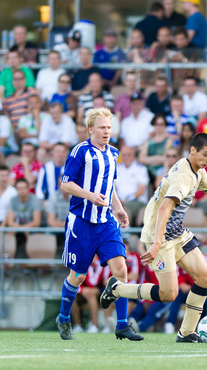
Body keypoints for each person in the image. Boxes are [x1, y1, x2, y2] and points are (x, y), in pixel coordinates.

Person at [99, 132, 207, 343]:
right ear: (193, 151)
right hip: (160, 235)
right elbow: (165, 207)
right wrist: (156, 243)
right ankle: (117, 288)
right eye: (206, 155)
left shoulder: (198, 171)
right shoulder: (184, 175)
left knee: (205, 278)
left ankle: (187, 332)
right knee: (168, 294)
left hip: (177, 233)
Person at [55, 108, 144, 341]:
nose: (107, 131)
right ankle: (64, 318)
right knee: (78, 276)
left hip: (105, 221)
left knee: (121, 269)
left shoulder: (113, 153)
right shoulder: (80, 151)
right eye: (102, 127)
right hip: (82, 222)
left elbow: (109, 186)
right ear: (91, 129)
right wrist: (88, 195)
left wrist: (119, 207)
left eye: (109, 127)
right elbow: (66, 184)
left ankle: (122, 325)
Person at [4, 178, 42, 250]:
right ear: (16, 189)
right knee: (9, 234)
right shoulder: (13, 200)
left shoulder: (35, 200)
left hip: (33, 229)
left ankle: (32, 258)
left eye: (24, 188)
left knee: (31, 235)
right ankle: (8, 258)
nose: (22, 191)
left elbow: (37, 222)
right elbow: (10, 222)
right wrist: (21, 228)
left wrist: (23, 228)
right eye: (20, 188)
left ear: (28, 188)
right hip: (19, 226)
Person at [115, 147, 149, 226]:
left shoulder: (141, 169)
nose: (125, 157)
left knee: (123, 209)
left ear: (133, 156)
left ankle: (126, 234)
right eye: (123, 155)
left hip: (137, 201)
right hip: (120, 201)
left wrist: (126, 200)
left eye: (128, 155)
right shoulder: (117, 168)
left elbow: (141, 190)